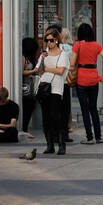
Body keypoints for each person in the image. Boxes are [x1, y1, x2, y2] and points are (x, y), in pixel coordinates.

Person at [71, 22, 103, 145]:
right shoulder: (96, 45)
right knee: (93, 109)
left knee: (85, 110)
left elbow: (72, 64)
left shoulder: (77, 45)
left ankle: (89, 137)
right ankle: (98, 136)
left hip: (81, 79)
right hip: (94, 78)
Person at [33, 28, 69, 157]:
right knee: (46, 118)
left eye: (51, 40)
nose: (49, 43)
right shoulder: (44, 54)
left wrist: (47, 68)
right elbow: (38, 70)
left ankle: (61, 144)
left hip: (56, 88)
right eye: (47, 40)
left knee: (56, 117)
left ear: (57, 40)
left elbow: (61, 71)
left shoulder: (62, 54)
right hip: (44, 87)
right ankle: (50, 145)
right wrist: (42, 60)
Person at [20, 37, 40, 136]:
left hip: (30, 86)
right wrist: (33, 71)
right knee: (27, 107)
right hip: (25, 86)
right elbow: (21, 72)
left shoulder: (28, 57)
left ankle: (25, 128)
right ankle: (24, 129)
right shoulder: (23, 57)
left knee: (30, 106)